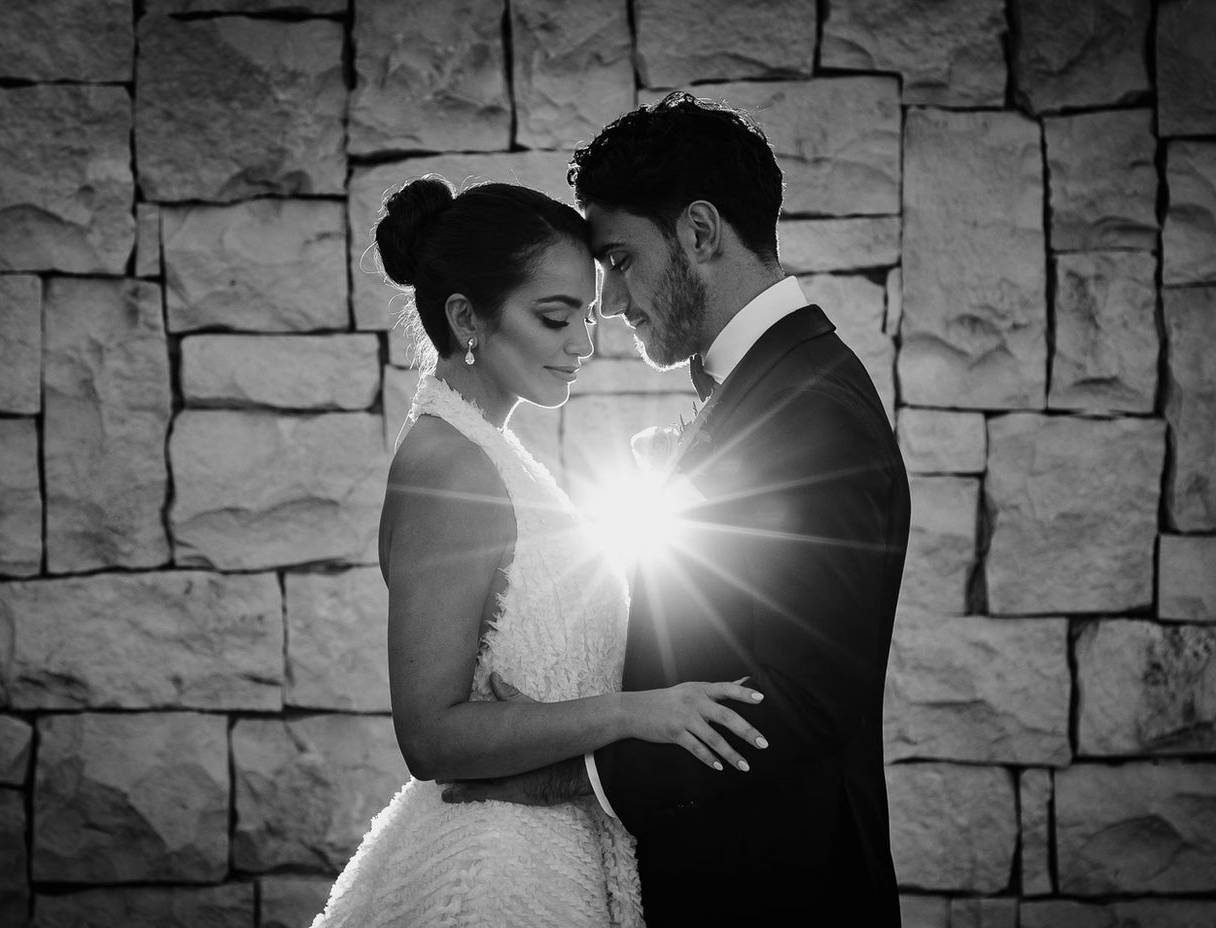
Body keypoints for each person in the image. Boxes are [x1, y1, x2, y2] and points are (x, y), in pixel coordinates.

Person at [442, 93, 911, 925]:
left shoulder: (812, 409)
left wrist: (565, 770)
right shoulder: (770, 386)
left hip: (778, 893)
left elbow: (798, 699)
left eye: (620, 260)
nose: (612, 303)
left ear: (699, 233)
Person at [308, 176, 770, 928]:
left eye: (586, 314)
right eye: (555, 318)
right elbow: (430, 735)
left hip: (557, 858)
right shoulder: (448, 465)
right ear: (467, 318)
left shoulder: (492, 451)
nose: (585, 342)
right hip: (494, 876)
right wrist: (633, 714)